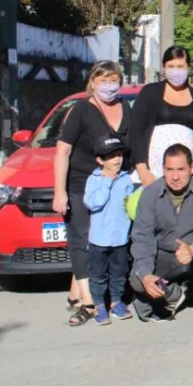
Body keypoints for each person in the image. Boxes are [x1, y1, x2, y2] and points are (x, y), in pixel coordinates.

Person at [54, 60, 131, 326]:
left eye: (114, 80)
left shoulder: (125, 107)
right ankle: (90, 303)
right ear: (92, 82)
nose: (109, 85)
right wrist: (59, 192)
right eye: (103, 80)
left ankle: (75, 295)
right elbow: (62, 151)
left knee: (102, 240)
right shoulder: (81, 110)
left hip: (114, 185)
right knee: (83, 241)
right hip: (81, 184)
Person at [130, 144, 193, 326]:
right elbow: (142, 237)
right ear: (163, 169)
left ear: (192, 168)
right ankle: (175, 294)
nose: (175, 177)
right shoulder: (150, 194)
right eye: (169, 170)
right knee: (138, 279)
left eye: (181, 169)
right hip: (164, 254)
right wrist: (146, 274)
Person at [131, 46, 193, 185]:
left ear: (189, 67)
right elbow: (136, 132)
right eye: (171, 66)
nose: (175, 71)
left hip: (188, 176)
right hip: (151, 174)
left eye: (180, 66)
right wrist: (143, 171)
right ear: (164, 67)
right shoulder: (150, 92)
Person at [83, 135, 135, 326]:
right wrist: (107, 182)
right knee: (98, 274)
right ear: (100, 160)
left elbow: (130, 204)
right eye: (112, 156)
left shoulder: (126, 178)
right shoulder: (94, 179)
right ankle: (99, 305)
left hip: (120, 238)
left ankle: (116, 302)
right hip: (99, 239)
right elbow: (92, 203)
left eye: (119, 155)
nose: (117, 159)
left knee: (119, 273)